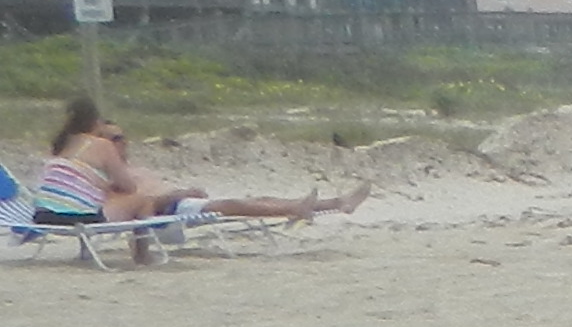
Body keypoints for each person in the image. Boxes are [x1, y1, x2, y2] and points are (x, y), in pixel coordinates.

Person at [29, 101, 363, 261]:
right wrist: (181, 192)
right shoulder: (105, 170)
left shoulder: (75, 159)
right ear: (98, 130)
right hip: (167, 210)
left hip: (165, 207)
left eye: (123, 137)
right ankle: (301, 208)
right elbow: (140, 200)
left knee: (247, 199)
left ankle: (334, 203)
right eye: (115, 137)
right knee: (234, 205)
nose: (121, 142)